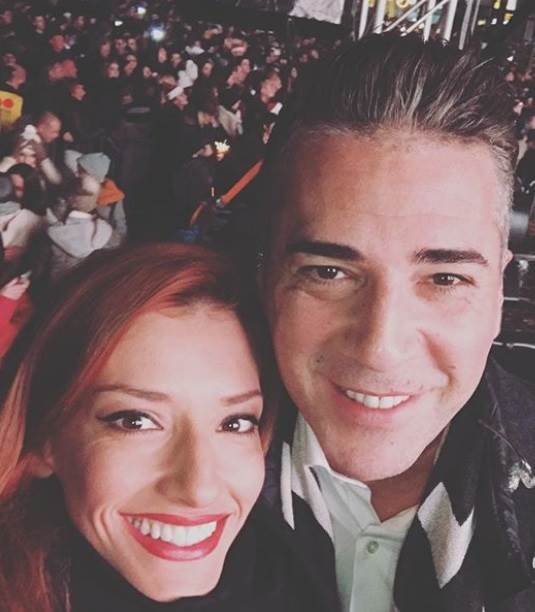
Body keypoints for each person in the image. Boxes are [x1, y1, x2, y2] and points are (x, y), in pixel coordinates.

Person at [248, 32, 535, 611]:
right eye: (329, 272)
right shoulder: (148, 480)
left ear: (501, 289)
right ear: (266, 273)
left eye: (445, 278)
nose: (381, 346)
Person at [0, 243, 335, 612]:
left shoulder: (296, 571)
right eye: (135, 421)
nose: (198, 490)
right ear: (44, 439)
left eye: (234, 423)